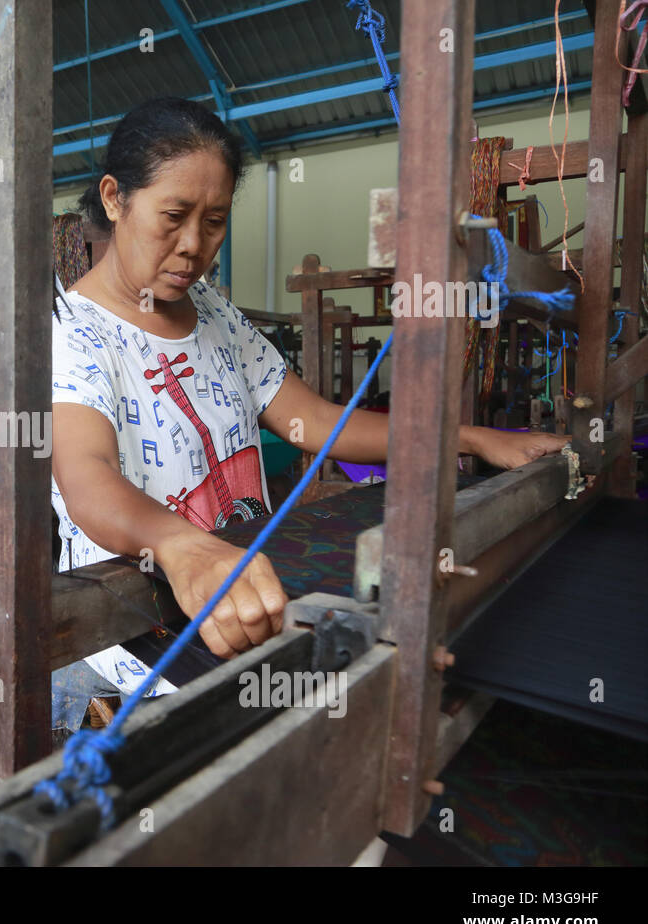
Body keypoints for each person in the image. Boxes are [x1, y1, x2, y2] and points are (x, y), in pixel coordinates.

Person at [49, 97, 567, 737]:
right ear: (114, 199)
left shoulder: (210, 310)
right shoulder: (71, 332)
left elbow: (312, 421)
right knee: (321, 723)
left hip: (241, 579)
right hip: (137, 612)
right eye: (174, 216)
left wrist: (465, 437)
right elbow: (85, 476)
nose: (193, 247)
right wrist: (182, 546)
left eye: (214, 222)